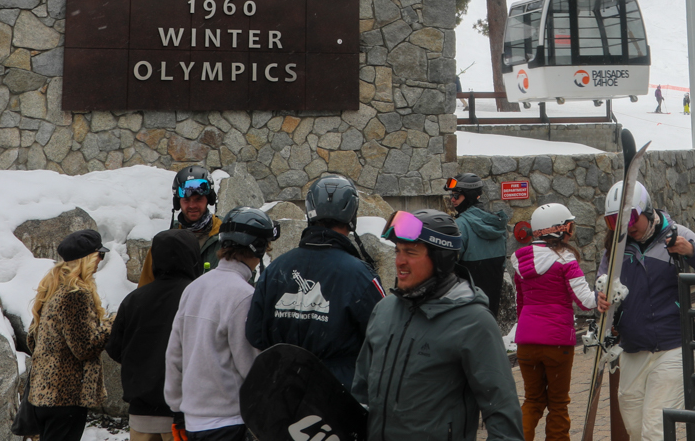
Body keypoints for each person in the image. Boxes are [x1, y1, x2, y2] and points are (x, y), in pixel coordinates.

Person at [353, 209, 521, 441]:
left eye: (410, 252)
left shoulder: (473, 321)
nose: (399, 261)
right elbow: (361, 392)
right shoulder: (384, 310)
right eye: (398, 251)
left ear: (441, 259)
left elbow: (503, 413)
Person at [598, 180, 695, 441]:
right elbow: (602, 281)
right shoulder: (616, 247)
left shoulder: (676, 233)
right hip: (633, 349)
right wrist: (599, 297)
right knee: (634, 429)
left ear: (646, 209)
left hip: (672, 346)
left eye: (632, 218)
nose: (628, 226)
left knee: (655, 430)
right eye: (616, 221)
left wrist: (691, 252)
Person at [247, 174, 384, 387]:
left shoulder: (275, 269)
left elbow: (255, 334)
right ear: (352, 215)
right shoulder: (360, 276)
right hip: (338, 396)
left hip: (282, 391)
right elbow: (384, 338)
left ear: (310, 211)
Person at [165, 206, 279, 441]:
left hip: (193, 421)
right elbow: (250, 365)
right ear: (256, 247)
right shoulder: (243, 295)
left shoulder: (194, 288)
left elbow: (174, 354)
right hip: (229, 422)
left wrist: (177, 408)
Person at [510, 203, 596, 441]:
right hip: (557, 342)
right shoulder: (565, 258)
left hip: (526, 340)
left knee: (532, 401)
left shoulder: (518, 260)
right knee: (558, 404)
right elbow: (586, 302)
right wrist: (604, 293)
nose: (571, 231)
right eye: (569, 226)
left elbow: (520, 302)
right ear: (557, 230)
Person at [107, 230, 201, 441]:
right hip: (183, 413)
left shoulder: (134, 299)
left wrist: (143, 366)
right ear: (193, 257)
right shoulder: (196, 297)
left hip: (141, 412)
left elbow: (115, 348)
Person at [26, 230, 113, 441]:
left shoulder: (52, 287)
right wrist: (112, 324)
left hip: (41, 396)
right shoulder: (76, 293)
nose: (101, 261)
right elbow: (85, 348)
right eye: (99, 255)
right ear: (88, 259)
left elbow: (32, 340)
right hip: (65, 397)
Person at [142, 165, 222, 284]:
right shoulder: (164, 242)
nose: (192, 206)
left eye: (198, 199)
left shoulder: (225, 235)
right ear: (177, 203)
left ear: (209, 199)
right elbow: (146, 287)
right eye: (186, 200)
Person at [446, 173, 509, 316]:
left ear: (468, 195)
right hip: (492, 299)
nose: (452, 199)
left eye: (456, 195)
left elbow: (449, 265)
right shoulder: (496, 223)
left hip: (467, 299)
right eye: (452, 195)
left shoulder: (460, 225)